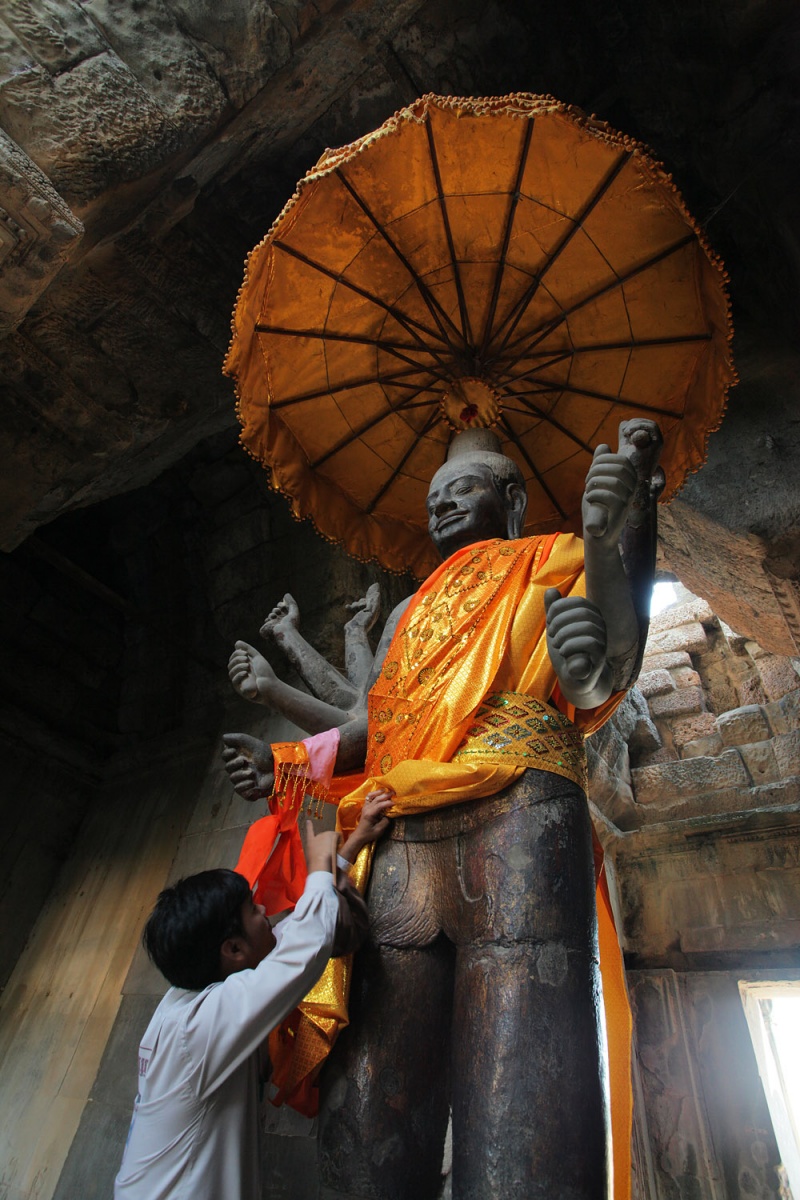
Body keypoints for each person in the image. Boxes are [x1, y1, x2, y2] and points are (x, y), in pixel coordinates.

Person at [221, 419, 664, 1200]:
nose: (444, 508)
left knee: (523, 1102)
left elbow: (603, 673)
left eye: (464, 489)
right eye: (434, 499)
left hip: (522, 813)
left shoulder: (544, 559)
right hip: (405, 825)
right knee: (371, 1108)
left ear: (512, 498)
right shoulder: (404, 613)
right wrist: (283, 761)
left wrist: (625, 526)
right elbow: (374, 728)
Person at [114, 802, 391, 1200]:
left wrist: (346, 852)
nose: (265, 911)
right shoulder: (199, 1026)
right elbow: (301, 953)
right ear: (232, 949)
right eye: (253, 910)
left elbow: (292, 938)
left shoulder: (188, 1001)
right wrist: (316, 869)